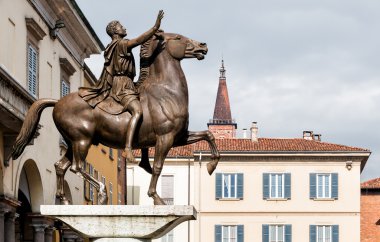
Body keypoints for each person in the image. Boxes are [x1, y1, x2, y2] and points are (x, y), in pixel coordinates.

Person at [79, 10, 164, 163]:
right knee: (138, 111)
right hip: (123, 86)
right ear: (115, 31)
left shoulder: (114, 45)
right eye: (120, 26)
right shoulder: (120, 44)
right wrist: (154, 27)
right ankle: (128, 149)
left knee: (147, 110)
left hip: (129, 83)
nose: (124, 27)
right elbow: (137, 41)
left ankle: (144, 159)